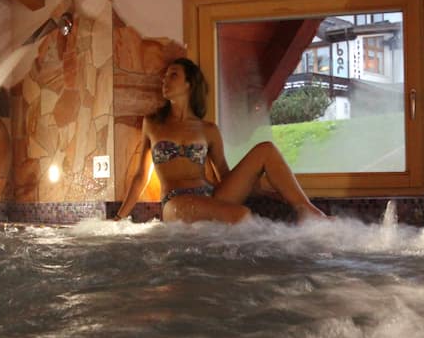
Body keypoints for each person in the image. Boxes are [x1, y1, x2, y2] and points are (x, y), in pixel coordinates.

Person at [114, 57, 327, 224]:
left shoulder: (208, 129)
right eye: (165, 76)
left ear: (189, 84)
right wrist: (119, 218)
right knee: (241, 215)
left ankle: (308, 213)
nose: (165, 80)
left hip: (211, 196)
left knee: (266, 149)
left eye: (173, 75)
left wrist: (264, 191)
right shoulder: (152, 123)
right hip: (176, 202)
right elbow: (141, 177)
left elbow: (224, 174)